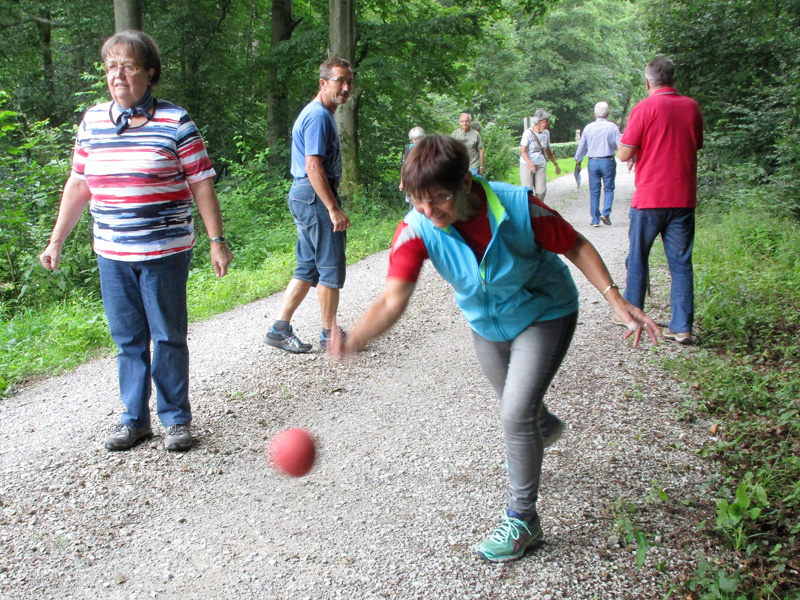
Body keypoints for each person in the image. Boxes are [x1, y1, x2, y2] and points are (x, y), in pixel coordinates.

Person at [329, 135, 659, 562]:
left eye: (438, 199)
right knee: (522, 410)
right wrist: (354, 337)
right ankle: (542, 425)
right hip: (486, 326)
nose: (429, 212)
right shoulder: (417, 227)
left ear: (466, 182)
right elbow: (393, 299)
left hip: (544, 311)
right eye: (417, 201)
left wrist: (615, 300)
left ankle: (524, 520)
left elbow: (576, 245)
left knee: (514, 412)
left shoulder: (518, 207)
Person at [39, 31, 234, 452]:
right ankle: (134, 419)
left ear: (149, 72)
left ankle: (176, 419)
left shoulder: (176, 121)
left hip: (164, 251)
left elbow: (202, 186)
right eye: (111, 66)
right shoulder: (92, 122)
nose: (118, 75)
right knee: (127, 339)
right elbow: (78, 185)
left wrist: (216, 240)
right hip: (112, 252)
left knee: (166, 335)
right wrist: (56, 241)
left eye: (128, 66)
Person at [264, 57, 354, 353]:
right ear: (323, 82)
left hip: (304, 194)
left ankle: (279, 328)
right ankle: (330, 335)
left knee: (307, 268)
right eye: (340, 80)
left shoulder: (318, 114)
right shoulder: (317, 116)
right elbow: (313, 165)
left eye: (349, 82)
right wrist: (332, 207)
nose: (345, 87)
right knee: (329, 267)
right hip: (314, 193)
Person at [617, 56, 703, 345]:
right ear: (673, 79)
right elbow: (693, 143)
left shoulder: (644, 108)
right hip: (683, 198)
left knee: (638, 258)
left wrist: (640, 150)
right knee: (680, 264)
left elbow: (624, 154)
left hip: (650, 197)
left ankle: (631, 316)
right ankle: (682, 326)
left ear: (647, 82)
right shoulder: (691, 107)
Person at [574, 102, 622, 227]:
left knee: (594, 190)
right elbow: (620, 144)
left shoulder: (588, 128)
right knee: (609, 188)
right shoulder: (613, 127)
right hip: (608, 161)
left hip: (593, 162)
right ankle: (606, 213)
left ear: (595, 114)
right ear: (608, 113)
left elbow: (582, 146)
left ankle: (595, 219)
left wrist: (578, 159)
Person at [520, 109, 561, 200]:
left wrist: (556, 165)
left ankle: (538, 208)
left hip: (540, 163)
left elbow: (548, 150)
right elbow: (523, 151)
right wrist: (530, 164)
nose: (548, 123)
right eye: (546, 121)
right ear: (539, 121)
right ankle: (529, 211)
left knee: (541, 191)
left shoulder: (546, 133)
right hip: (527, 164)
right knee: (527, 191)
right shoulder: (528, 133)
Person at [451, 112, 484, 176]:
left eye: (466, 121)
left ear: (470, 122)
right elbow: (450, 151)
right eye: (462, 121)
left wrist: (481, 166)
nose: (464, 123)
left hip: (473, 167)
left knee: (473, 184)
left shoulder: (476, 134)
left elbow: (481, 150)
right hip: (459, 166)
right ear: (459, 122)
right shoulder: (454, 134)